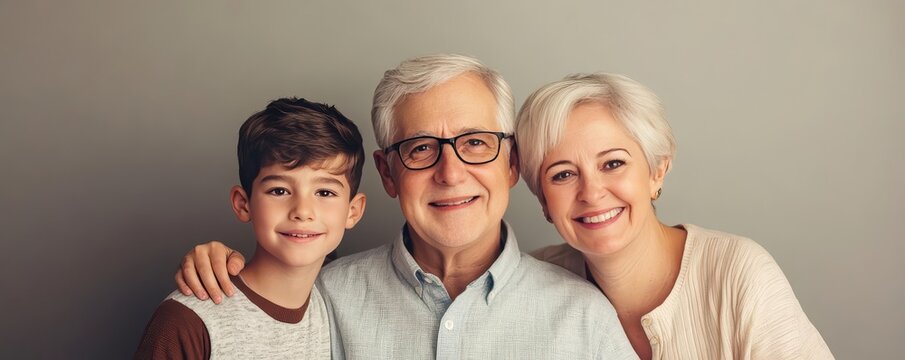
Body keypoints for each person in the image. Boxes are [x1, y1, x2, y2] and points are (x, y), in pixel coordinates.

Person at [173, 55, 637, 359]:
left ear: (511, 162)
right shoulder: (323, 299)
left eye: (475, 143)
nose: (450, 173)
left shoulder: (584, 318)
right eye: (419, 148)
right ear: (388, 174)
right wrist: (218, 264)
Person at [518, 73, 834, 359]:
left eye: (613, 163)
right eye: (562, 175)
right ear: (544, 201)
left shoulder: (739, 273)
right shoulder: (526, 291)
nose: (591, 191)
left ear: (657, 171)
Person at [135, 98, 367, 359]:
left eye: (325, 192)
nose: (302, 211)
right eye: (279, 190)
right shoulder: (188, 321)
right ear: (243, 204)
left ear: (353, 211)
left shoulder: (342, 310)